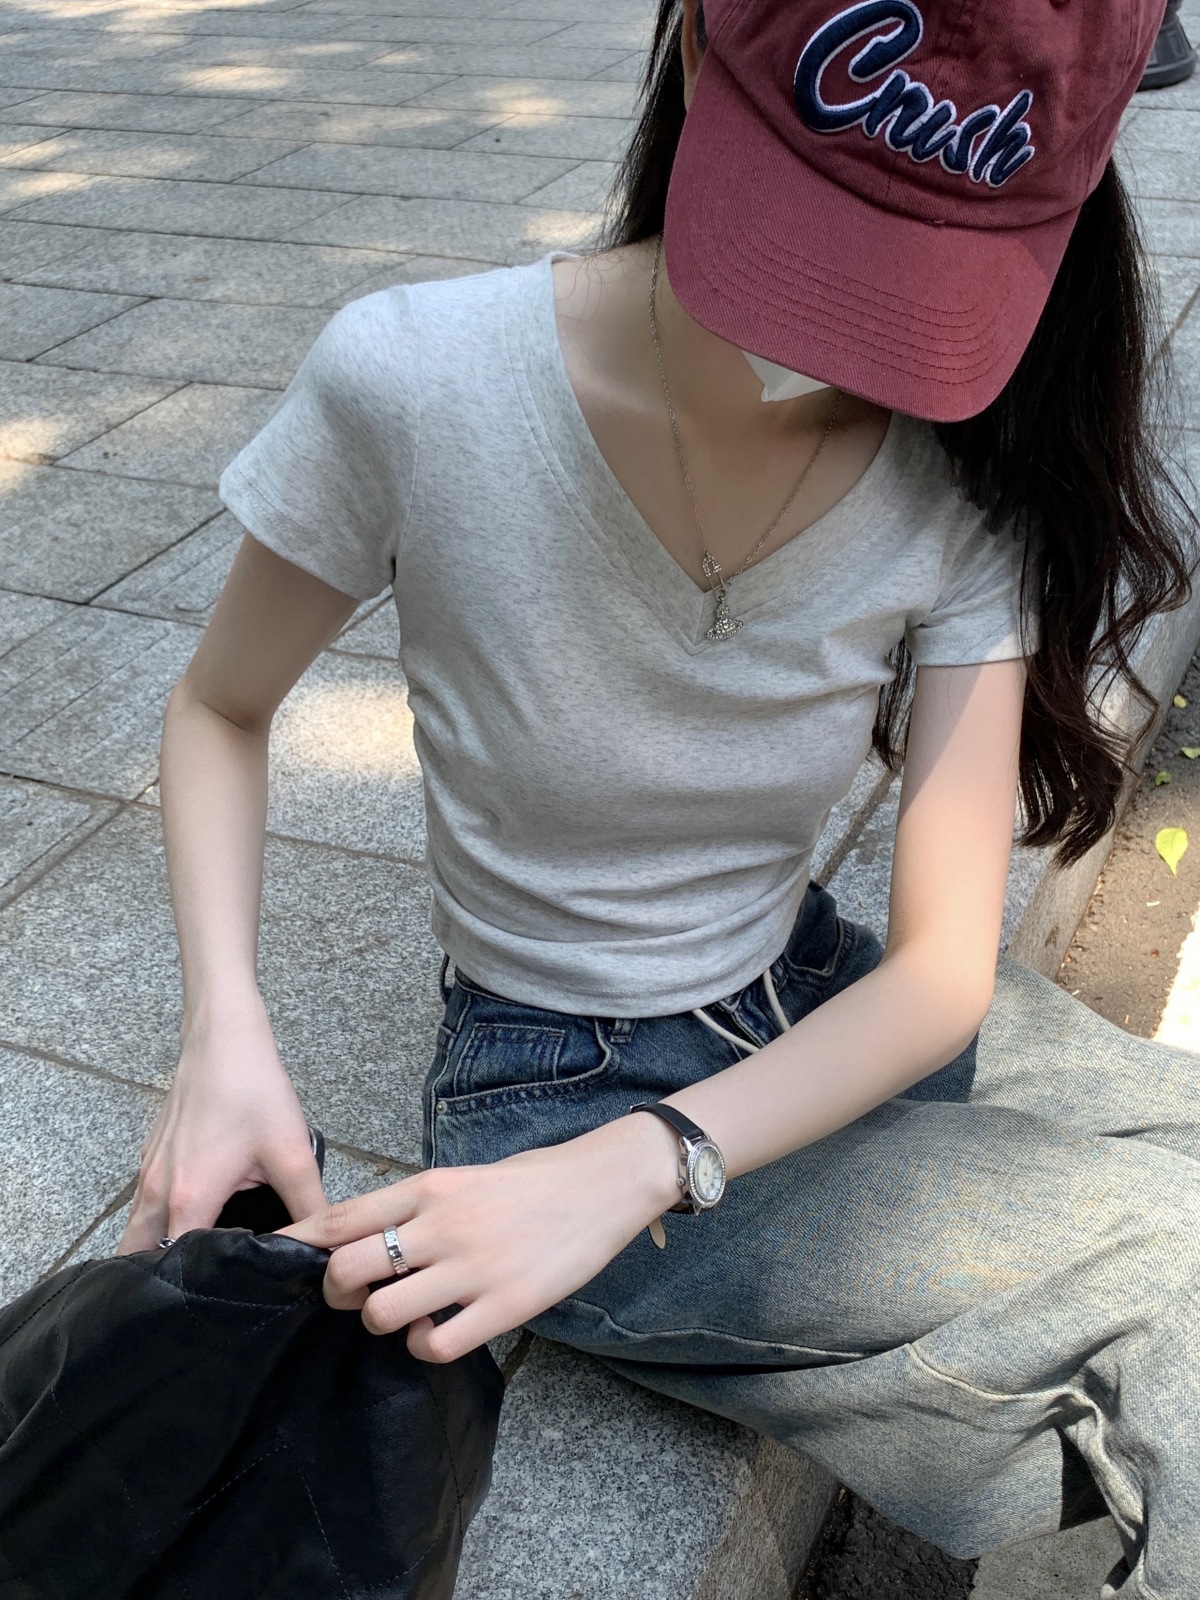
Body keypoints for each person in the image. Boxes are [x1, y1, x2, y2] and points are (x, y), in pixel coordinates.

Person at [118, 0, 1200, 1593]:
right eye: (822, 226)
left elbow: (939, 974)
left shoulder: (975, 463)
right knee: (1179, 1282)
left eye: (929, 263)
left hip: (811, 994)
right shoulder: (418, 378)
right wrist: (222, 1030)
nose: (852, 335)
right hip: (551, 1087)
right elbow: (220, 705)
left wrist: (656, 1161)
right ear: (695, 45)